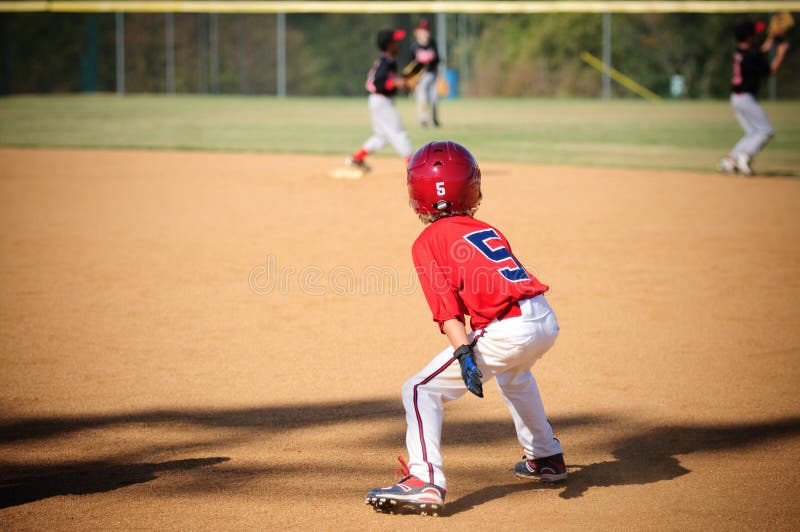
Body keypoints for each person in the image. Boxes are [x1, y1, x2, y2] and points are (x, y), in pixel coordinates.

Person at [365, 141, 566, 516]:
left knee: (420, 390)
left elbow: (447, 313)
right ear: (472, 187)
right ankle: (545, 455)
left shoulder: (427, 241)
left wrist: (464, 353)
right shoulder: (485, 229)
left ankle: (425, 480)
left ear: (416, 194)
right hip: (542, 318)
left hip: (507, 330)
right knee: (515, 376)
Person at [718, 21, 790, 176]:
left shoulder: (740, 52)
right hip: (746, 98)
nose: (756, 36)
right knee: (766, 131)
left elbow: (759, 53)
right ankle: (745, 156)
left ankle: (730, 161)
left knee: (752, 133)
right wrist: (781, 53)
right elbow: (769, 71)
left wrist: (770, 39)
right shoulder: (752, 56)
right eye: (754, 34)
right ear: (749, 37)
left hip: (736, 97)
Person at [346, 29, 413, 174]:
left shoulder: (388, 61)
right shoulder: (385, 62)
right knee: (398, 133)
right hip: (381, 101)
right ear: (389, 45)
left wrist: (401, 83)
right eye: (395, 42)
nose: (398, 44)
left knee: (382, 136)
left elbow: (390, 82)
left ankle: (357, 158)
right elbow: (378, 82)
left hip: (378, 101)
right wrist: (395, 83)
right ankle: (412, 167)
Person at [409, 19, 441, 128]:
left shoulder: (432, 44)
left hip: (432, 75)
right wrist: (412, 79)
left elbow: (437, 60)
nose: (425, 33)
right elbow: (411, 64)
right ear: (417, 32)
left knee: (434, 99)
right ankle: (423, 120)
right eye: (423, 30)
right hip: (420, 77)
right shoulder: (414, 46)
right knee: (422, 99)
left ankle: (434, 120)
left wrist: (438, 74)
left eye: (426, 30)